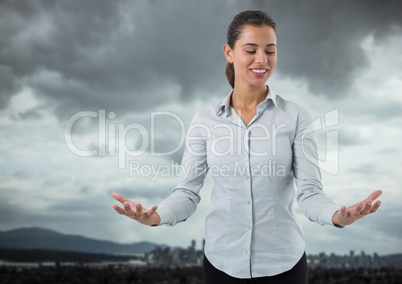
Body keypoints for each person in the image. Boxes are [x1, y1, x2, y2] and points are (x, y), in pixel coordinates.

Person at [112, 10, 382, 284]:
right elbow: (187, 193)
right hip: (221, 266)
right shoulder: (204, 120)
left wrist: (336, 216)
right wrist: (156, 217)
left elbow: (310, 193)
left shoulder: (297, 116)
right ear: (229, 52)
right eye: (251, 49)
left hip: (284, 267)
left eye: (270, 50)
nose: (262, 59)